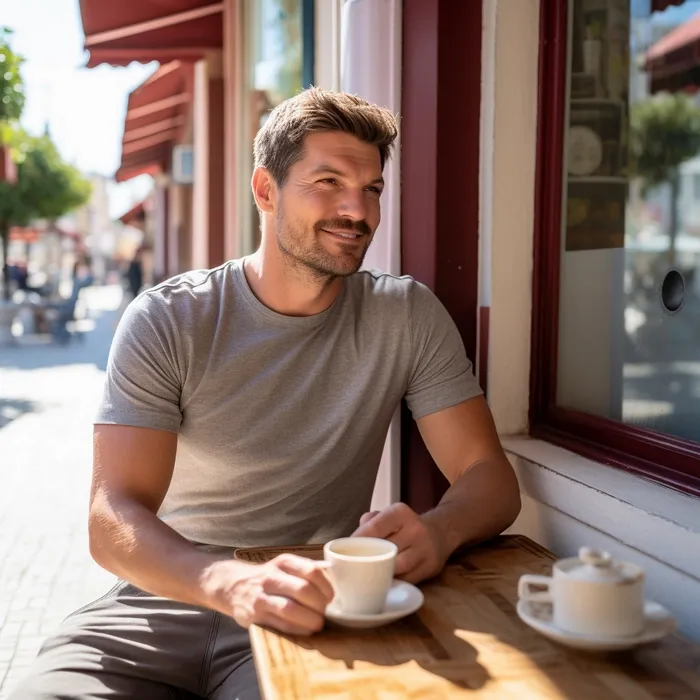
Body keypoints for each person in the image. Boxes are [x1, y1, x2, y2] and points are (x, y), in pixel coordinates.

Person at [11, 88, 521, 700]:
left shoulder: (404, 314)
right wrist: (224, 581)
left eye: (373, 188)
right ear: (265, 190)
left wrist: (440, 532)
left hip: (311, 604)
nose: (357, 210)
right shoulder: (170, 318)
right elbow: (111, 516)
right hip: (157, 601)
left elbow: (489, 476)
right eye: (328, 181)